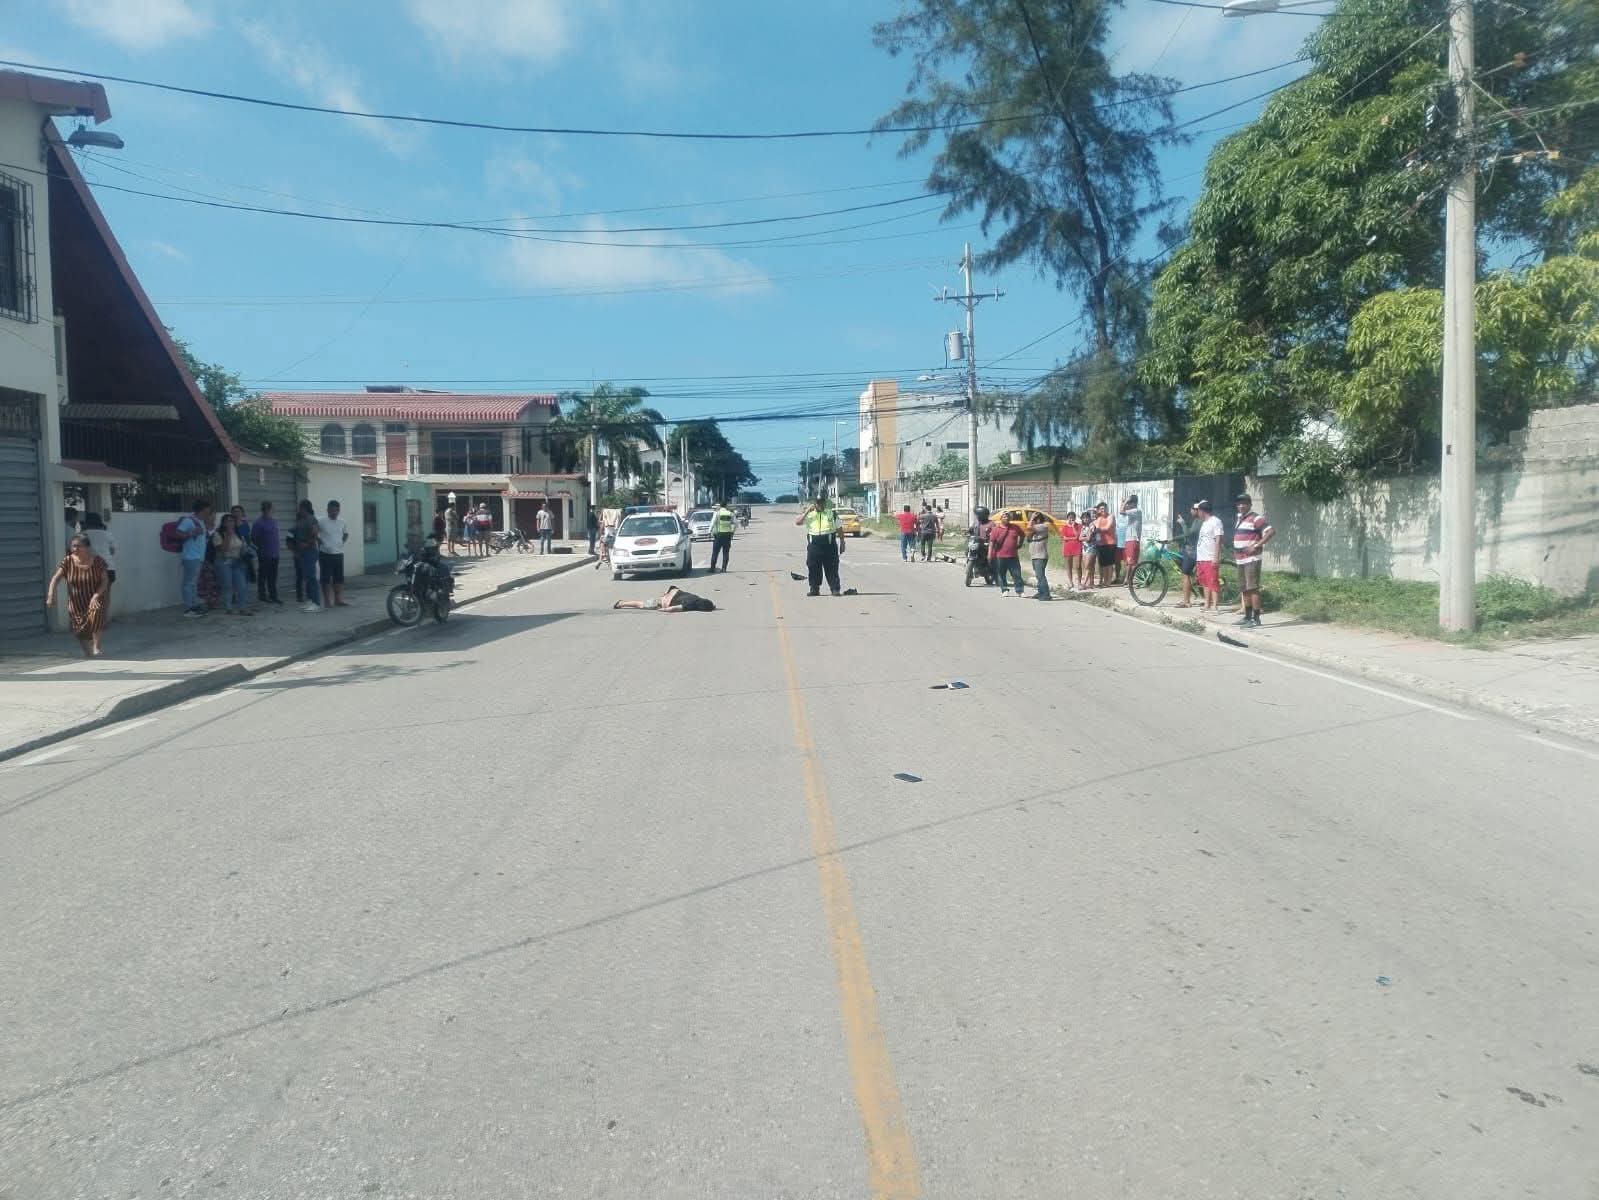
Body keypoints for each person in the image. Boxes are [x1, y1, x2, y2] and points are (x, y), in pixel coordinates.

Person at [46, 534, 111, 656]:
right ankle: (88, 653)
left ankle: (97, 647)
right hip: (76, 602)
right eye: (73, 546)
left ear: (87, 547)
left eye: (79, 546)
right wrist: (50, 595)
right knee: (80, 629)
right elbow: (55, 579)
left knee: (96, 615)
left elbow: (105, 581)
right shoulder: (68, 561)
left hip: (95, 596)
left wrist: (96, 596)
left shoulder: (98, 561)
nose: (75, 549)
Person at [1232, 492, 1275, 626]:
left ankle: (1256, 619)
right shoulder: (1240, 518)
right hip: (1240, 558)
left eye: (1244, 503)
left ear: (1250, 505)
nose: (1241, 506)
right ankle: (1247, 616)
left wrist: (1256, 545)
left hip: (1251, 558)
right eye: (1239, 503)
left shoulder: (1256, 518)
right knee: (1244, 588)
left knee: (1252, 588)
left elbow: (1270, 531)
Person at [794, 494, 844, 596]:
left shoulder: (831, 514)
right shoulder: (809, 515)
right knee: (813, 567)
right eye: (818, 503)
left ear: (825, 503)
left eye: (822, 502)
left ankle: (835, 589)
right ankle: (814, 589)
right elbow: (798, 522)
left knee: (832, 568)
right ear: (814, 504)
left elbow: (839, 528)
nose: (820, 504)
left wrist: (842, 542)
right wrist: (807, 511)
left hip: (829, 546)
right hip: (814, 546)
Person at [209, 512, 252, 615]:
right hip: (224, 561)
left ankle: (243, 608)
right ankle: (228, 607)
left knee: (241, 585)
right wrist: (227, 535)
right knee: (227, 585)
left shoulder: (238, 533)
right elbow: (223, 549)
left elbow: (243, 546)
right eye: (228, 521)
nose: (231, 523)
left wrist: (247, 552)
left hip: (237, 561)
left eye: (232, 521)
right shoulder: (217, 534)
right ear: (223, 523)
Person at [176, 500, 211, 617]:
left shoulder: (200, 521)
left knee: (193, 583)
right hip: (191, 556)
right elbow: (178, 533)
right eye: (207, 511)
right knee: (189, 583)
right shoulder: (189, 520)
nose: (209, 513)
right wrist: (191, 533)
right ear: (202, 510)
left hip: (198, 557)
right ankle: (189, 609)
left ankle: (194, 605)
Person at [79, 512, 116, 610]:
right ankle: (104, 619)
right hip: (109, 568)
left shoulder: (83, 535)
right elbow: (112, 551)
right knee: (106, 595)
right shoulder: (107, 534)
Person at [1194, 499, 1225, 612]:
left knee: (1213, 581)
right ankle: (1207, 604)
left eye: (1198, 511)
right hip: (1201, 557)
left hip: (1210, 557)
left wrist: (1216, 557)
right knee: (1204, 582)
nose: (1197, 513)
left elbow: (1218, 540)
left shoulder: (1215, 521)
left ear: (1202, 511)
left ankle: (1215, 606)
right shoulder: (1204, 523)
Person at [317, 499, 349, 608]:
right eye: (331, 510)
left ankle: (338, 599)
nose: (334, 512)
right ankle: (327, 601)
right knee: (325, 578)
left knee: (338, 578)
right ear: (327, 510)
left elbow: (345, 534)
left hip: (338, 553)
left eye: (336, 510)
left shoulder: (342, 522)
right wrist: (321, 543)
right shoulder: (321, 521)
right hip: (325, 553)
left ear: (339, 510)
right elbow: (314, 532)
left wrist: (341, 543)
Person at [293, 500, 322, 612]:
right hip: (302, 552)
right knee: (306, 577)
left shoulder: (311, 519)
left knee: (311, 577)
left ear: (304, 508)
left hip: (309, 551)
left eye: (300, 508)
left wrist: (307, 544)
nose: (299, 510)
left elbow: (315, 534)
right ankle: (310, 600)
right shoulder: (301, 520)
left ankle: (316, 602)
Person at [253, 501, 282, 605]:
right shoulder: (258, 523)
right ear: (263, 510)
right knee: (263, 575)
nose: (269, 511)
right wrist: (260, 548)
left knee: (273, 576)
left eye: (270, 509)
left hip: (275, 553)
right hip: (264, 553)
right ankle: (262, 595)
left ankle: (273, 596)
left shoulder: (274, 521)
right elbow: (254, 538)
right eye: (266, 509)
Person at [989, 513, 1024, 596]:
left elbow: (1022, 535)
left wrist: (1020, 544)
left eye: (1008, 517)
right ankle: (1004, 589)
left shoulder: (1015, 527)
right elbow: (991, 543)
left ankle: (1020, 591)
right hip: (1000, 556)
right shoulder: (996, 529)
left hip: (1013, 556)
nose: (1006, 518)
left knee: (1017, 574)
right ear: (1001, 519)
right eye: (1004, 517)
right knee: (1001, 574)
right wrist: (989, 554)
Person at [1174, 501, 1202, 608]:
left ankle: (1186, 601)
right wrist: (1173, 539)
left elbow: (1188, 534)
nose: (1192, 510)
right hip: (1190, 550)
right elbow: (1188, 534)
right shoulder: (1196, 521)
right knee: (1188, 573)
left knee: (1186, 574)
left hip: (1193, 552)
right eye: (1193, 509)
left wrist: (1182, 523)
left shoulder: (1199, 522)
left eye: (1194, 509)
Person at [612, 585, 717, 613]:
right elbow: (675, 608)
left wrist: (667, 593)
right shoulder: (692, 605)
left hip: (673, 591)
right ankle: (621, 603)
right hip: (665, 602)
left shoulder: (696, 597)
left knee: (642, 603)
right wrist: (662, 610)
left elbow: (674, 587)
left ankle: (622, 603)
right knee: (641, 604)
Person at [1027, 512, 1053, 600]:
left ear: (1037, 519)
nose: (1031, 521)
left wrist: (1031, 519)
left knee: (1041, 575)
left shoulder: (1043, 526)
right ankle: (1040, 591)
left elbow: (1028, 527)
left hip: (1040, 556)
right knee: (1038, 575)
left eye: (1033, 519)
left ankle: (1046, 594)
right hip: (1035, 555)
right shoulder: (1036, 529)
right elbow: (1028, 534)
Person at [1093, 502, 1118, 588]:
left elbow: (1107, 527)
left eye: (1104, 508)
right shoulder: (1099, 518)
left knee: (1109, 563)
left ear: (1107, 508)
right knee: (1102, 563)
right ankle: (1103, 580)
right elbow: (1093, 526)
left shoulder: (1111, 516)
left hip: (1110, 543)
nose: (1102, 510)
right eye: (1101, 509)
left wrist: (1098, 529)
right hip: (1101, 543)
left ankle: (1108, 581)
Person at [1120, 495, 1143, 582]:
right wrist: (1123, 502)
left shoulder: (1136, 510)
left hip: (1132, 539)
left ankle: (1129, 580)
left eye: (1129, 503)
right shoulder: (1135, 511)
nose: (1128, 505)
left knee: (1131, 562)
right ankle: (1128, 580)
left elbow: (1121, 511)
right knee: (1131, 562)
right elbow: (1123, 510)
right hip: (1133, 539)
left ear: (1134, 503)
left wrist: (1125, 501)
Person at [709, 499, 736, 572]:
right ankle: (724, 568)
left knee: (715, 552)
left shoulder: (717, 513)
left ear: (720, 506)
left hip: (718, 535)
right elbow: (735, 524)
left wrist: (710, 532)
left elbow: (713, 523)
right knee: (726, 552)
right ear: (726, 506)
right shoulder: (730, 513)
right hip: (727, 535)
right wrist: (732, 532)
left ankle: (712, 568)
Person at [1059, 511, 1082, 591]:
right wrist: (1072, 538)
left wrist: (1073, 527)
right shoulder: (1064, 527)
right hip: (1067, 548)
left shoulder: (1078, 526)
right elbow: (1063, 538)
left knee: (1078, 566)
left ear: (1075, 519)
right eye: (1069, 518)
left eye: (1072, 518)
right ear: (1067, 518)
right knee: (1068, 566)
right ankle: (1070, 582)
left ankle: (1079, 582)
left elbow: (1078, 536)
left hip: (1077, 547)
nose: (1071, 520)